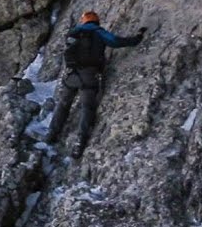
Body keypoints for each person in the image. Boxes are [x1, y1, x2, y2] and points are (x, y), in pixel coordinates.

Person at [45, 11, 146, 158]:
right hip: (89, 75)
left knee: (64, 103)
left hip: (71, 75)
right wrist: (136, 39)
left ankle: (52, 134)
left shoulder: (74, 33)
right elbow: (115, 41)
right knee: (87, 107)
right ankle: (79, 142)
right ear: (96, 21)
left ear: (83, 21)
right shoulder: (98, 32)